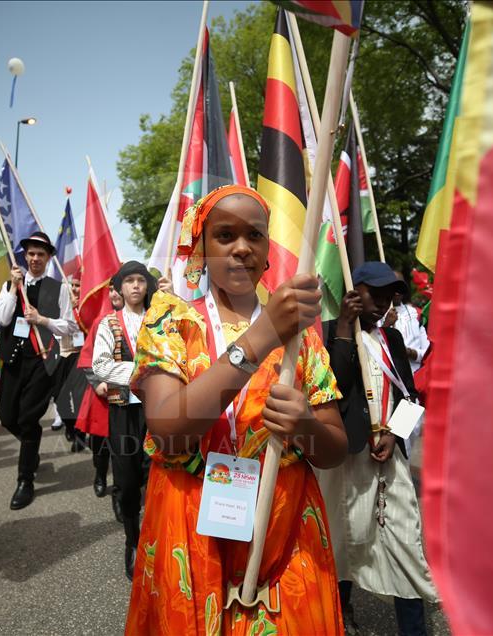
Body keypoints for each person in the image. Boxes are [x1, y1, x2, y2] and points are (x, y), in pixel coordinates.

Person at [126, 185, 348, 633]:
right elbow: (168, 431)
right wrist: (259, 338)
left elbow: (334, 450)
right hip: (190, 530)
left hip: (285, 533)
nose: (242, 247)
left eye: (255, 236)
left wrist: (304, 425)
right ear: (202, 248)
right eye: (225, 235)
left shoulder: (301, 339)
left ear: (268, 249)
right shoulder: (172, 320)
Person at [319, 261, 438, 636]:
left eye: (390, 297)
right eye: (377, 294)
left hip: (390, 464)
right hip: (347, 461)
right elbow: (332, 389)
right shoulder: (329, 333)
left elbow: (412, 397)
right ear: (356, 292)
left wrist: (393, 432)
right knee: (344, 540)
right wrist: (341, 328)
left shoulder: (394, 340)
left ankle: (414, 630)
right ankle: (338, 616)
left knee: (406, 542)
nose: (384, 303)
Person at [0, 231, 78, 510]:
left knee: (28, 419)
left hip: (43, 362)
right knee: (7, 417)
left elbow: (70, 326)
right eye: (31, 253)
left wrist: (42, 319)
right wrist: (12, 288)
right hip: (14, 362)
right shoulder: (11, 284)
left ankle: (25, 479)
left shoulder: (59, 287)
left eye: (41, 254)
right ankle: (32, 449)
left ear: (49, 257)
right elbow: (0, 319)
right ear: (24, 256)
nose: (35, 258)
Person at [92, 261, 158, 579]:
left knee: (159, 476)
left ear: (147, 285)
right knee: (128, 482)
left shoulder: (161, 320)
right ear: (119, 287)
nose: (134, 286)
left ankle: (160, 541)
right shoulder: (109, 323)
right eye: (128, 281)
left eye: (140, 280)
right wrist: (142, 373)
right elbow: (101, 365)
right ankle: (132, 541)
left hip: (158, 410)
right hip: (124, 412)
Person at [76, 282, 123, 518]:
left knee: (122, 451)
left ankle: (120, 493)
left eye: (119, 288)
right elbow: (87, 357)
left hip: (129, 397)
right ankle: (99, 474)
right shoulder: (101, 322)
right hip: (102, 398)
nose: (115, 293)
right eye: (111, 288)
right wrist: (97, 382)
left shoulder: (145, 321)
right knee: (100, 448)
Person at [50, 274, 85, 448]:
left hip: (80, 356)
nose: (74, 288)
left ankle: (79, 435)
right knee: (59, 397)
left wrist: (79, 311)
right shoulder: (61, 302)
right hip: (61, 355)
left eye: (78, 285)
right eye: (72, 285)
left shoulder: (88, 305)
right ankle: (69, 425)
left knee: (79, 399)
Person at [380, 271, 430, 374]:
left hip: (414, 377)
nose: (397, 291)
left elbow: (427, 354)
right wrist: (386, 326)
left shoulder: (417, 314)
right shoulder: (377, 314)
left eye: (401, 286)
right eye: (394, 286)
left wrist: (409, 352)